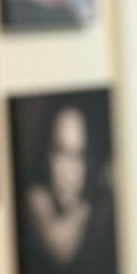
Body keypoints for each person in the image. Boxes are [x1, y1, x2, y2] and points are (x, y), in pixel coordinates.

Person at [25, 104, 91, 265]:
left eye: (78, 156)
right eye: (61, 153)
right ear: (46, 155)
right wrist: (83, 210)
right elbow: (59, 250)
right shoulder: (35, 195)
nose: (69, 172)